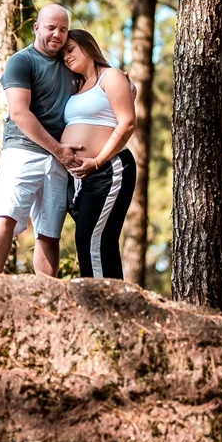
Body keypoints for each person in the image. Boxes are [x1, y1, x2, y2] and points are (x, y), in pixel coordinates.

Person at [0, 4, 82, 277]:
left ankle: (47, 294)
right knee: (5, 217)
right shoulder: (21, 61)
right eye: (51, 28)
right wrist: (59, 151)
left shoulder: (70, 61)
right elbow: (19, 113)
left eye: (63, 29)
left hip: (59, 159)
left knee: (49, 232)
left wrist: (124, 81)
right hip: (22, 152)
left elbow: (100, 74)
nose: (57, 34)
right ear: (37, 28)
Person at [60, 29, 136, 279]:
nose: (66, 57)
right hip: (82, 177)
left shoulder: (110, 76)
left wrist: (96, 161)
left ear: (87, 46)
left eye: (70, 49)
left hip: (109, 168)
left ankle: (101, 301)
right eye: (63, 54)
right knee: (97, 241)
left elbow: (127, 122)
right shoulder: (78, 87)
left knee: (91, 240)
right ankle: (115, 298)